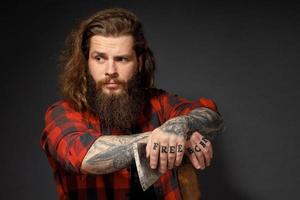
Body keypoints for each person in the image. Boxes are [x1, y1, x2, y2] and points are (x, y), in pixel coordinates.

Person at [40, 8, 224, 200]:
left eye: (122, 59)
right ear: (86, 62)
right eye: (99, 58)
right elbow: (84, 155)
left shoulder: (159, 104)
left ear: (139, 61)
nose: (110, 70)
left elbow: (210, 116)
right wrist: (165, 137)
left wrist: (181, 126)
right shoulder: (62, 112)